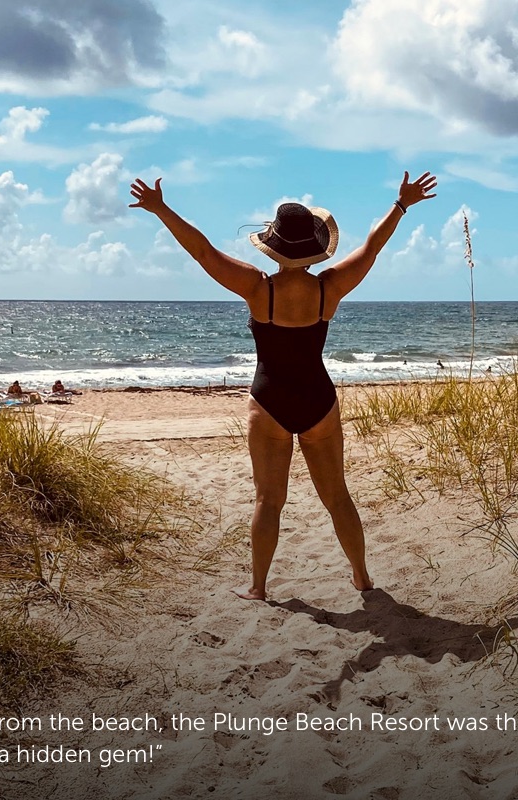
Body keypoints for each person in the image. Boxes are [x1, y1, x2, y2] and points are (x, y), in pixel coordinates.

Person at [129, 171, 438, 600]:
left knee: (267, 501)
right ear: (313, 248)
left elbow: (201, 251)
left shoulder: (257, 288)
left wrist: (160, 209)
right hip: (318, 401)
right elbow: (372, 247)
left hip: (269, 402)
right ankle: (362, 578)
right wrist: (401, 205)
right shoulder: (330, 287)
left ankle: (258, 587)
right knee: (338, 497)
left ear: (273, 244)